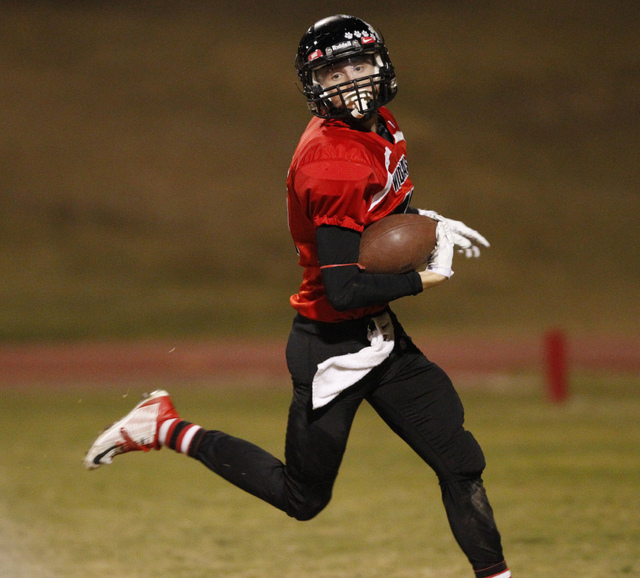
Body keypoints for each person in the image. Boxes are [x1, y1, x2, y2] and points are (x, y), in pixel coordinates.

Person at [85, 15, 510, 578]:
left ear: (381, 64)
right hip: (331, 345)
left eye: (359, 65)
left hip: (378, 333)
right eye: (335, 72)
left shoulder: (380, 124)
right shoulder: (331, 161)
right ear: (314, 85)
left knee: (460, 462)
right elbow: (344, 285)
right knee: (302, 498)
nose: (352, 81)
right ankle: (163, 426)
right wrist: (419, 277)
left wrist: (424, 222)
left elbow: (381, 216)